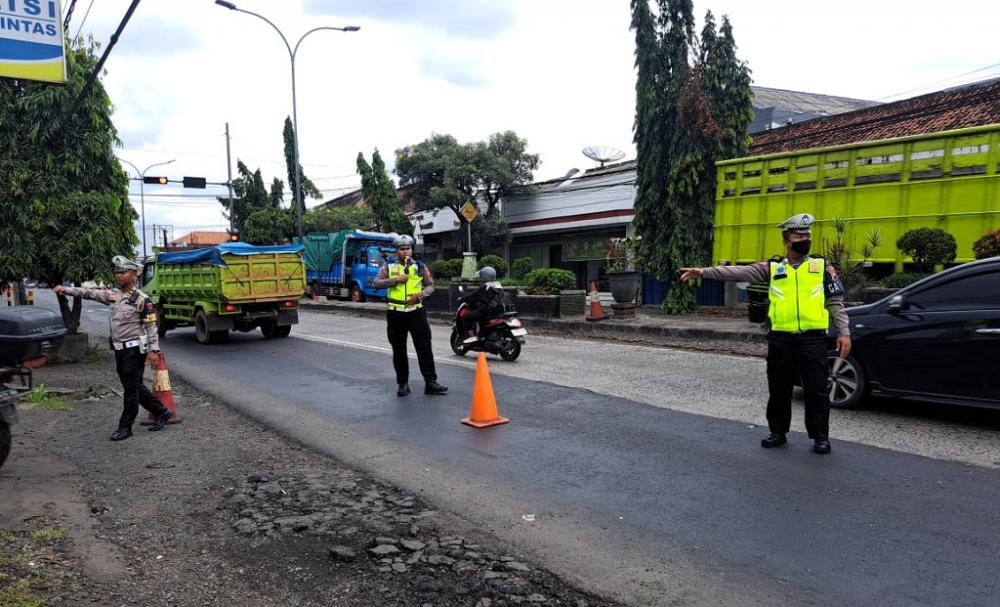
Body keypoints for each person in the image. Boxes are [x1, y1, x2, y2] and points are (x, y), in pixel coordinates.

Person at [679, 213, 851, 455]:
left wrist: (844, 332)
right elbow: (738, 272)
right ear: (786, 241)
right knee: (779, 388)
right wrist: (704, 272)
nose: (805, 239)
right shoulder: (772, 268)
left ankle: (820, 436)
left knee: (817, 389)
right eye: (799, 235)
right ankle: (778, 432)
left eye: (807, 235)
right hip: (781, 338)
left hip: (812, 338)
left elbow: (835, 302)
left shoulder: (822, 267)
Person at [54, 256, 174, 441]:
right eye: (117, 272)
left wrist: (154, 350)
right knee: (133, 385)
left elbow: (151, 326)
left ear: (134, 274)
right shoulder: (113, 296)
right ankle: (162, 411)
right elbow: (88, 293)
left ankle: (125, 427)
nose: (119, 276)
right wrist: (66, 290)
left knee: (130, 391)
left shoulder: (141, 300)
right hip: (120, 350)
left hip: (134, 351)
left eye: (123, 272)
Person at [371, 235, 448, 397]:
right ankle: (403, 384)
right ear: (396, 251)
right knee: (399, 350)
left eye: (408, 248)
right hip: (395, 313)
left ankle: (431, 382)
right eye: (401, 248)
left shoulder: (419, 266)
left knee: (424, 348)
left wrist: (419, 296)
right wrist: (395, 280)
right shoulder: (388, 266)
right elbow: (376, 283)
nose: (405, 251)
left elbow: (431, 286)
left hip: (416, 313)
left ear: (412, 250)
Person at [459, 266, 506, 345]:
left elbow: (473, 295)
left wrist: (462, 298)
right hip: (500, 310)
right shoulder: (498, 285)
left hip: (488, 311)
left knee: (466, 318)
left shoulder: (485, 287)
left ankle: (472, 337)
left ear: (485, 277)